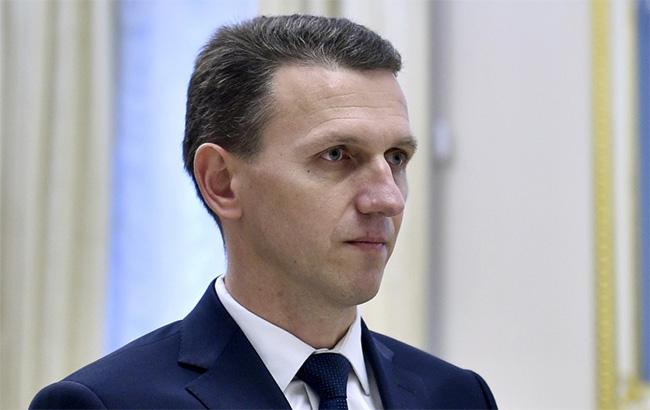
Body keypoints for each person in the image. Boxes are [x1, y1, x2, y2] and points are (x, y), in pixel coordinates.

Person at [30, 15, 497, 410]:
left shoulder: (457, 395)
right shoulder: (106, 403)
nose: (388, 199)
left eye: (396, 158)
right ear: (222, 182)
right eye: (337, 155)